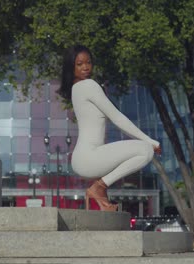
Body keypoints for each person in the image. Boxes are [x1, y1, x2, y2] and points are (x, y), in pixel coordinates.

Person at [57, 45, 161, 211]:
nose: (85, 67)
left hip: (86, 157)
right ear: (71, 67)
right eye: (79, 64)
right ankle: (99, 187)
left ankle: (102, 200)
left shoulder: (76, 89)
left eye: (88, 62)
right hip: (88, 157)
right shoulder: (88, 85)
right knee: (145, 150)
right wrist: (150, 141)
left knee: (135, 152)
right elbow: (117, 117)